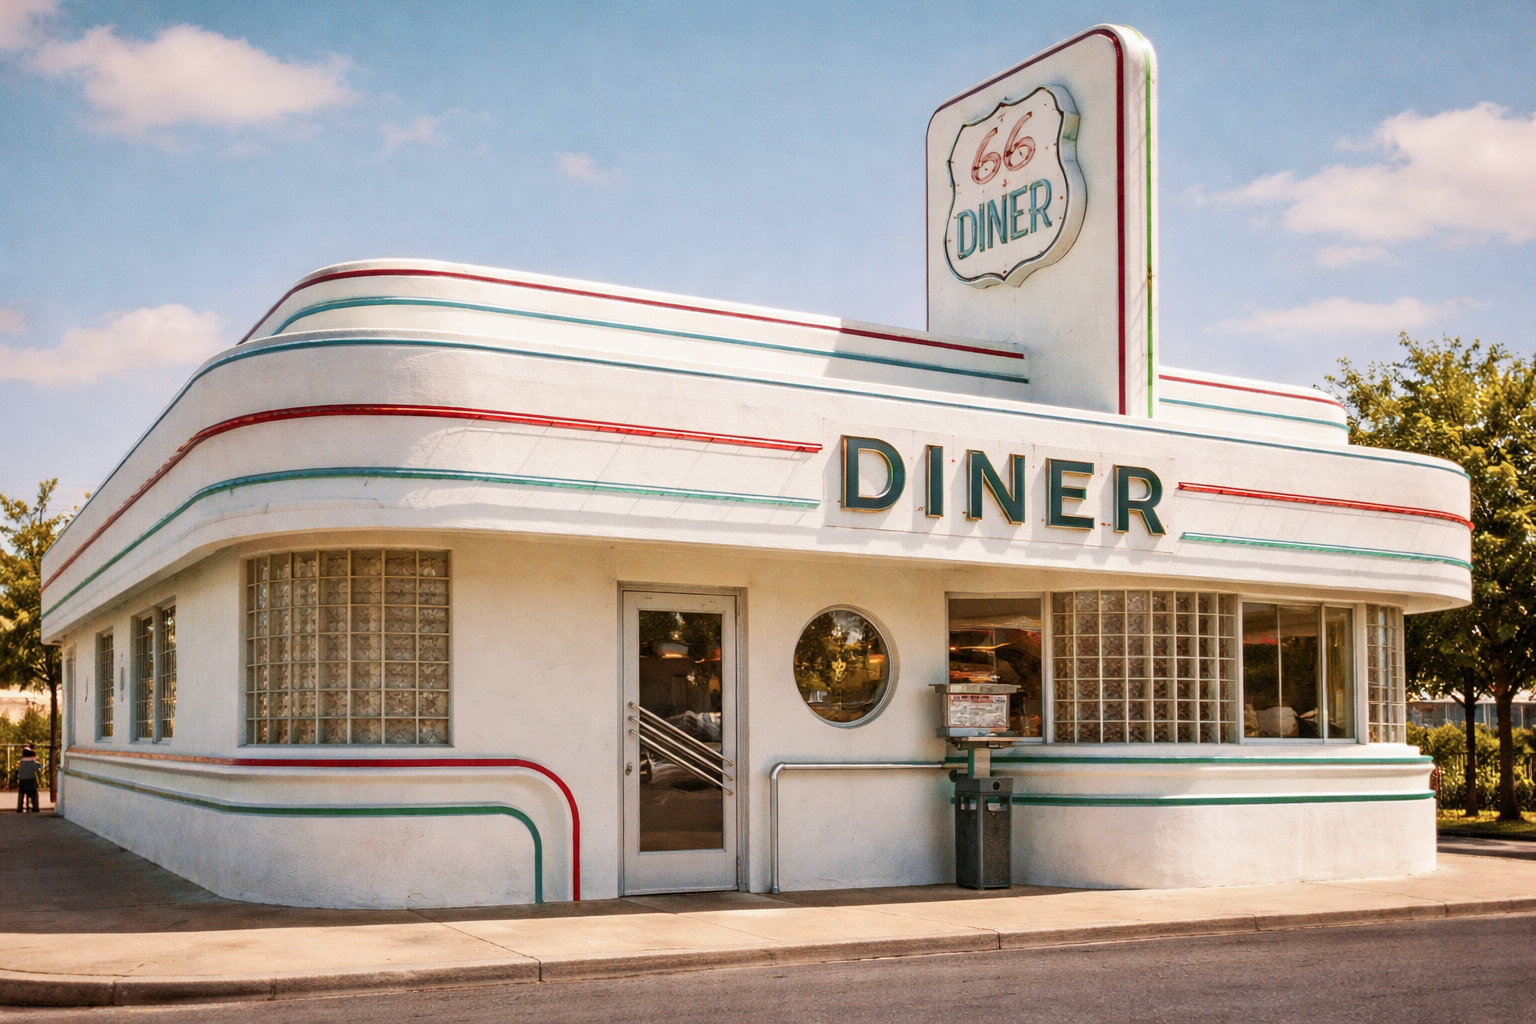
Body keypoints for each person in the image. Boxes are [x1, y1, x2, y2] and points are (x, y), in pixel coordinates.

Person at [15, 746, 40, 813]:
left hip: (22, 779)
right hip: (30, 779)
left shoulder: (21, 762)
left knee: (21, 793)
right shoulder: (33, 762)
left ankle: (19, 808)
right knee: (33, 793)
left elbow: (19, 771)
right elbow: (37, 768)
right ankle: (35, 807)